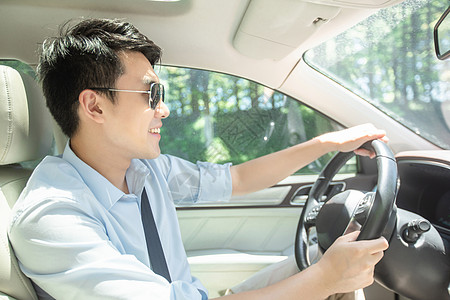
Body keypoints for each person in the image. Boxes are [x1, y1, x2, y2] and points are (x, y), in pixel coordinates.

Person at [9, 18, 388, 300]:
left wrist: (327, 142)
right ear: (94, 105)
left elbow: (236, 180)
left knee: (315, 260)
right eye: (151, 94)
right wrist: (325, 278)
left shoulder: (145, 169)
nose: (165, 109)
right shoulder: (52, 216)